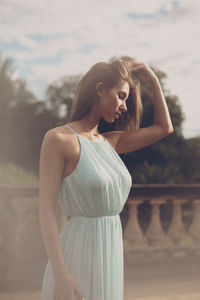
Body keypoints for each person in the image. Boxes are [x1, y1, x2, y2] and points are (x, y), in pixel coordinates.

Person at [39, 58, 173, 300]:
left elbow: (164, 128)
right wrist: (60, 274)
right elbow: (46, 210)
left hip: (110, 249)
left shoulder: (111, 142)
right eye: (121, 96)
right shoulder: (58, 139)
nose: (124, 106)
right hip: (77, 251)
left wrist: (153, 79)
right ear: (100, 89)